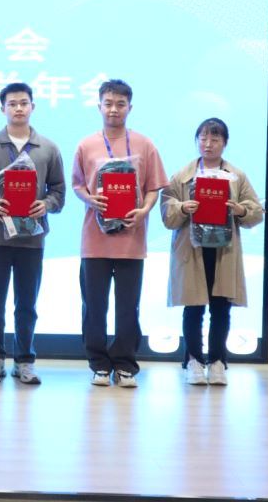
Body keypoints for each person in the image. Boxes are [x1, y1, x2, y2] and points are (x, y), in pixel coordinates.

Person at [71, 79, 167, 388]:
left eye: (120, 104)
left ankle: (125, 365)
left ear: (130, 107)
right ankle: (99, 364)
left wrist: (144, 210)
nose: (114, 109)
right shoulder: (86, 145)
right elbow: (77, 185)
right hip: (95, 240)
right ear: (99, 106)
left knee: (128, 307)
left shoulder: (145, 144)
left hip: (131, 240)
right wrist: (90, 200)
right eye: (108, 103)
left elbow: (153, 187)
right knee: (94, 306)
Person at [0, 82, 65, 385]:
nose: (18, 108)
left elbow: (59, 191)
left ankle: (25, 359)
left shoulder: (48, 148)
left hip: (32, 239)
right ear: (3, 109)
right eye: (12, 104)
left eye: (24, 103)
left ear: (32, 107)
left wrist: (45, 204)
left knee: (26, 303)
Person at [160, 118, 264, 386]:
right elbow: (167, 213)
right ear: (196, 141)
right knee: (193, 308)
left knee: (221, 308)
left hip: (223, 251)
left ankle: (217, 361)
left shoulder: (236, 176)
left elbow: (256, 211)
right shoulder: (182, 176)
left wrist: (240, 209)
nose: (208, 144)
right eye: (203, 138)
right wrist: (182, 207)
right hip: (191, 249)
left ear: (224, 143)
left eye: (215, 139)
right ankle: (193, 360)